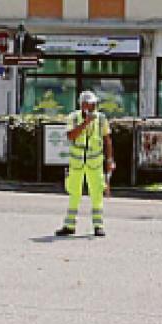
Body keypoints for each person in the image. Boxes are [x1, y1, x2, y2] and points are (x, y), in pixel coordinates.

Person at [56, 90, 114, 237]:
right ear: (82, 105)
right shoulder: (73, 117)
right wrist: (85, 123)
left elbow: (107, 140)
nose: (93, 106)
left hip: (95, 163)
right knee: (74, 193)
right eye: (90, 104)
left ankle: (98, 225)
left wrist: (109, 160)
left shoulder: (101, 119)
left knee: (97, 194)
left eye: (94, 104)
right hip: (77, 163)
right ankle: (69, 225)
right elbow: (70, 136)